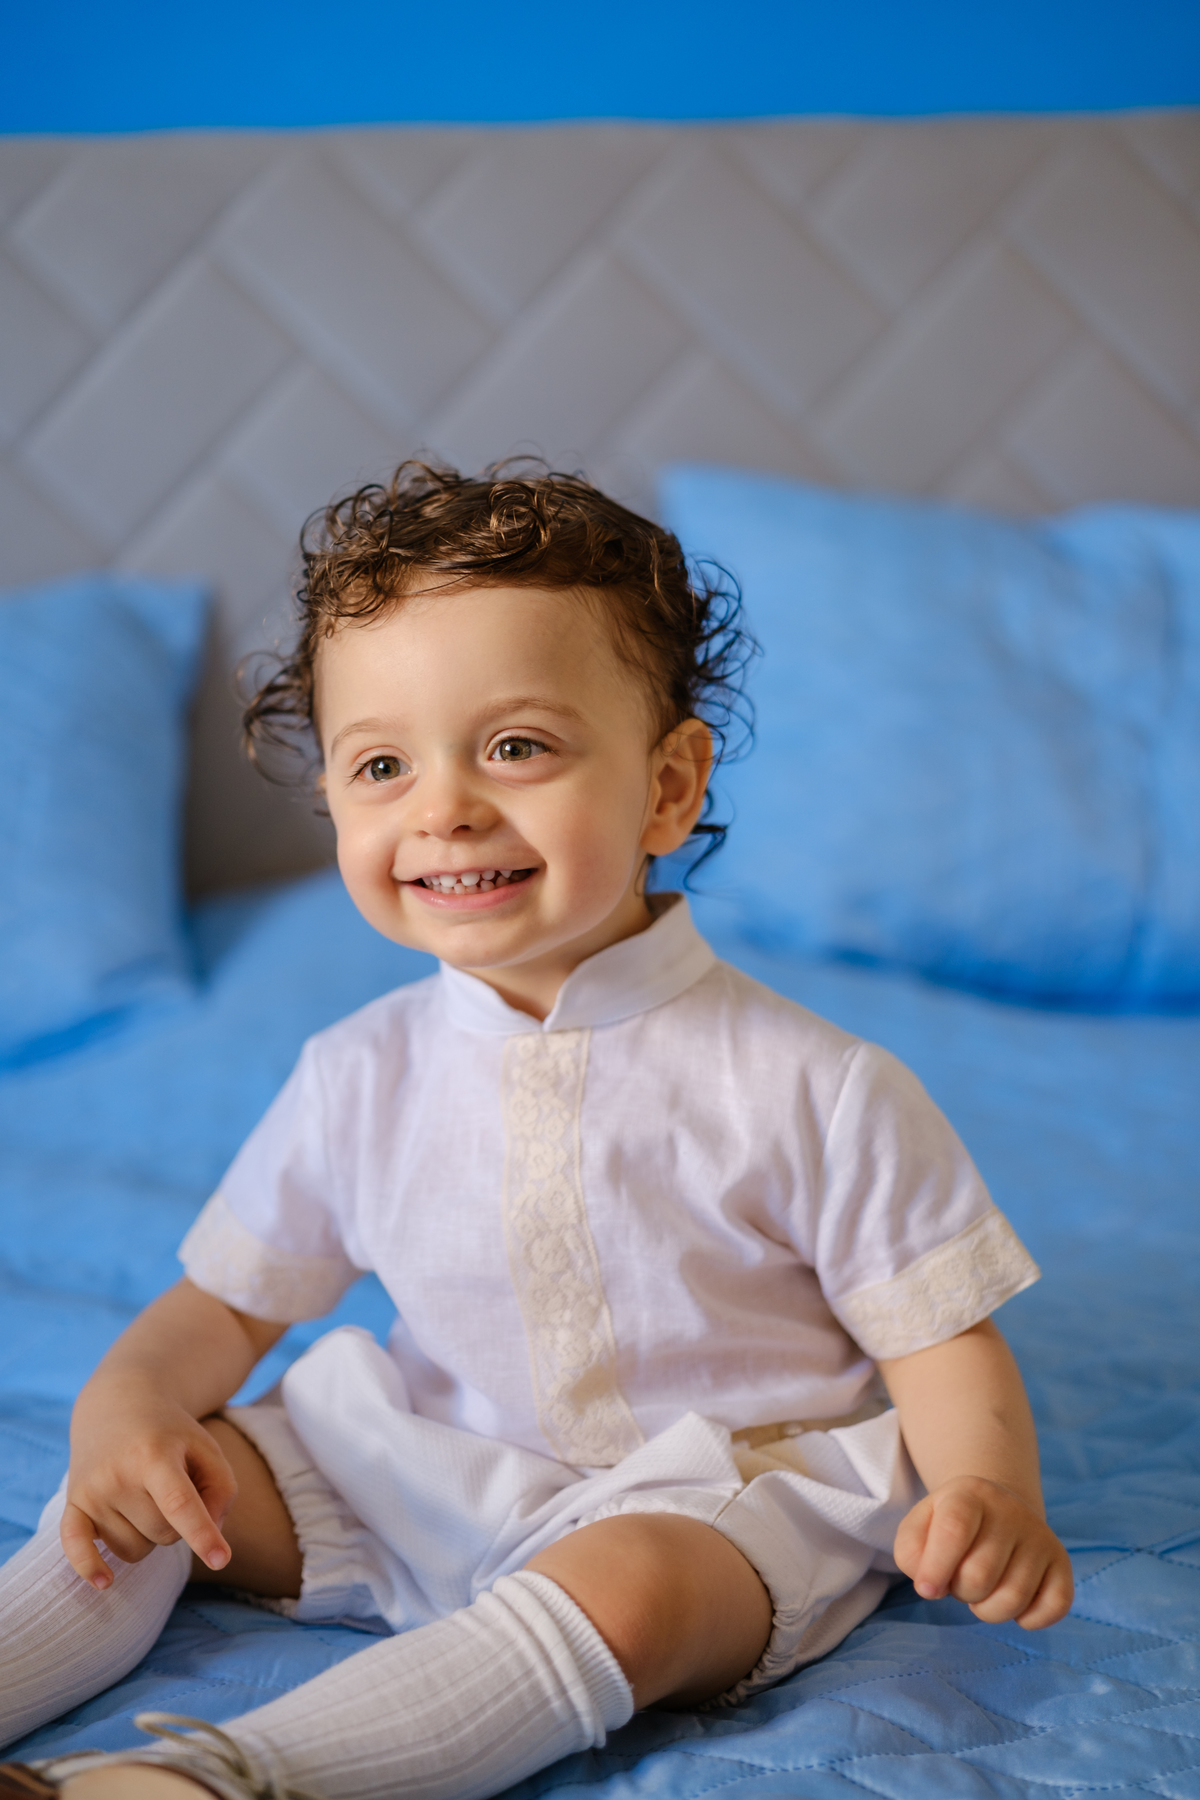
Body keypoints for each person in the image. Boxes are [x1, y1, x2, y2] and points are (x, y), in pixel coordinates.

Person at [0, 464, 1073, 1800]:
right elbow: (222, 1305)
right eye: (381, 765)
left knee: (633, 1592)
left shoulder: (816, 1083)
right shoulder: (357, 1072)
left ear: (668, 788)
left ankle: (215, 1784)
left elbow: (939, 1337)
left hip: (706, 1495)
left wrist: (988, 1492)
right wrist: (127, 1407)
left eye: (515, 747)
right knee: (161, 1488)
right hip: (424, 1464)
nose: (442, 807)